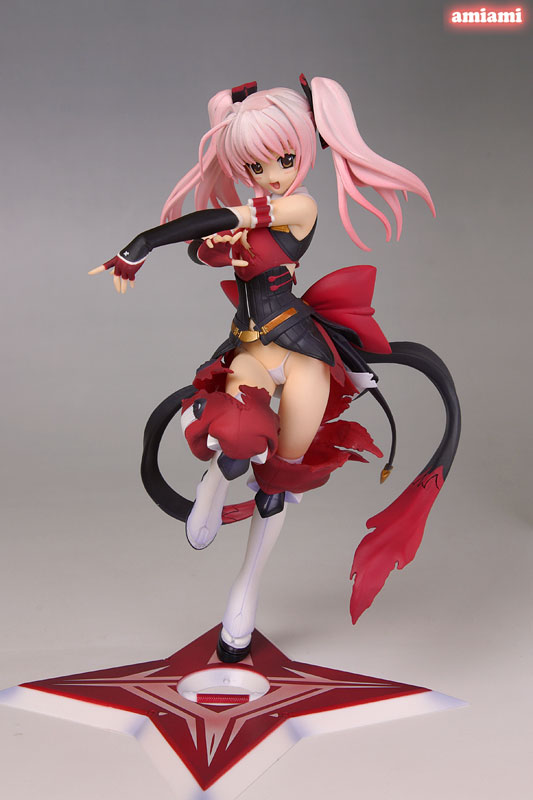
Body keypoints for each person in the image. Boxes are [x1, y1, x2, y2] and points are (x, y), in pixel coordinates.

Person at [90, 77, 460, 662]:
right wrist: (206, 246)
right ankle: (215, 482)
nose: (272, 175)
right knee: (239, 434)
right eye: (256, 166)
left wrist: (143, 242)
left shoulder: (300, 205)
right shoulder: (251, 212)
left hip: (302, 347)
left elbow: (222, 218)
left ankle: (246, 590)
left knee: (279, 480)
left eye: (284, 160)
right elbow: (205, 245)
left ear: (305, 154)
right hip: (252, 346)